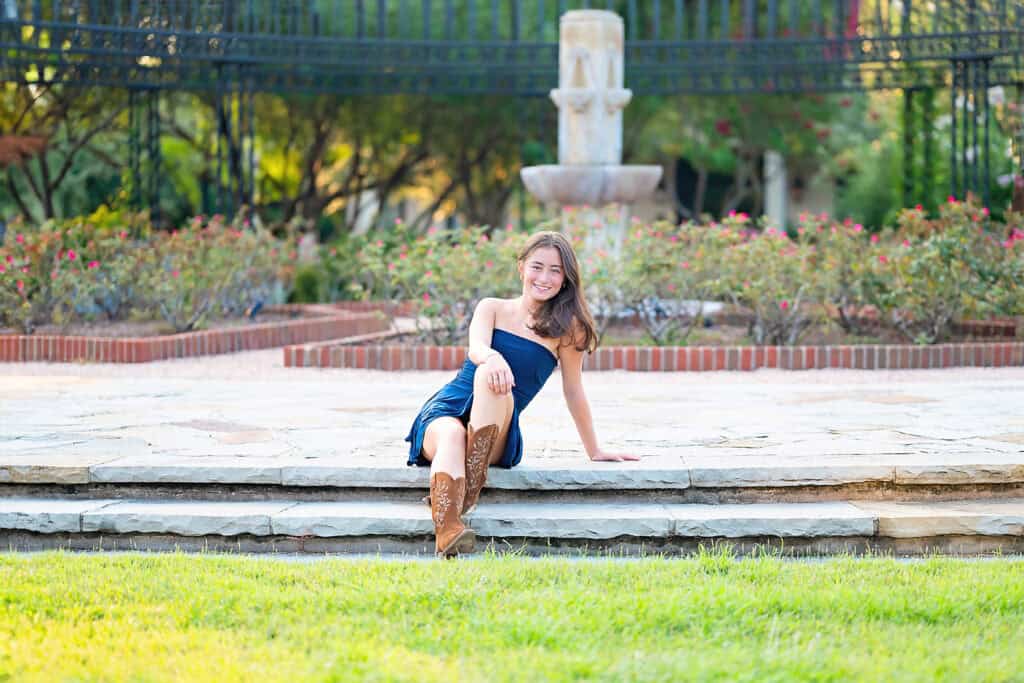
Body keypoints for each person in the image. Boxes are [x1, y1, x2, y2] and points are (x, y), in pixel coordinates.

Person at [404, 230, 640, 558]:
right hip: (448, 408)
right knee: (452, 435)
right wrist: (492, 356)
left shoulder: (570, 328)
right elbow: (476, 348)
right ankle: (448, 530)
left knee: (491, 379)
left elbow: (573, 390)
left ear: (566, 278)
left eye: (555, 270)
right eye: (537, 266)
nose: (544, 277)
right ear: (521, 268)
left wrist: (594, 448)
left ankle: (469, 486)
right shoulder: (492, 308)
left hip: (498, 426)